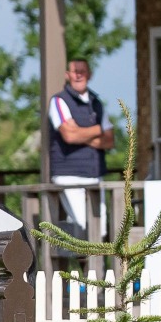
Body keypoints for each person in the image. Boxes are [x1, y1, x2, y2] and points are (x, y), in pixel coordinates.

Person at [46, 57, 114, 240]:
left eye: (82, 71)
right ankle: (83, 267)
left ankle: (96, 269)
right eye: (75, 71)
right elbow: (69, 135)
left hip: (94, 175)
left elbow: (109, 140)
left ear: (89, 74)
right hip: (69, 175)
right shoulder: (59, 101)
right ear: (68, 75)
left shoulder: (97, 103)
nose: (78, 75)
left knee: (100, 230)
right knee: (81, 226)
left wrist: (80, 133)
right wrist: (98, 129)